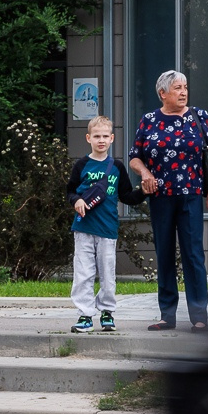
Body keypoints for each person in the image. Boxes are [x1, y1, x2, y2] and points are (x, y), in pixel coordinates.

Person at [127, 70, 208, 331]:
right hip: (160, 197)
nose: (183, 92)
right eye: (178, 88)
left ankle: (199, 316)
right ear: (163, 94)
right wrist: (145, 173)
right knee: (165, 254)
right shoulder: (149, 120)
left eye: (185, 87)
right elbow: (134, 156)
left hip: (190, 195)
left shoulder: (198, 117)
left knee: (193, 254)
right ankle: (166, 315)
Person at [65, 115, 141, 334]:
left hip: (108, 229)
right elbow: (70, 190)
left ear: (112, 138)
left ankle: (107, 312)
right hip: (83, 228)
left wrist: (144, 191)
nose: (101, 140)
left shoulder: (116, 167)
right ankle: (85, 314)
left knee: (108, 273)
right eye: (96, 136)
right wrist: (77, 200)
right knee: (83, 273)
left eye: (105, 136)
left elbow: (127, 195)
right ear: (88, 138)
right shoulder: (81, 165)